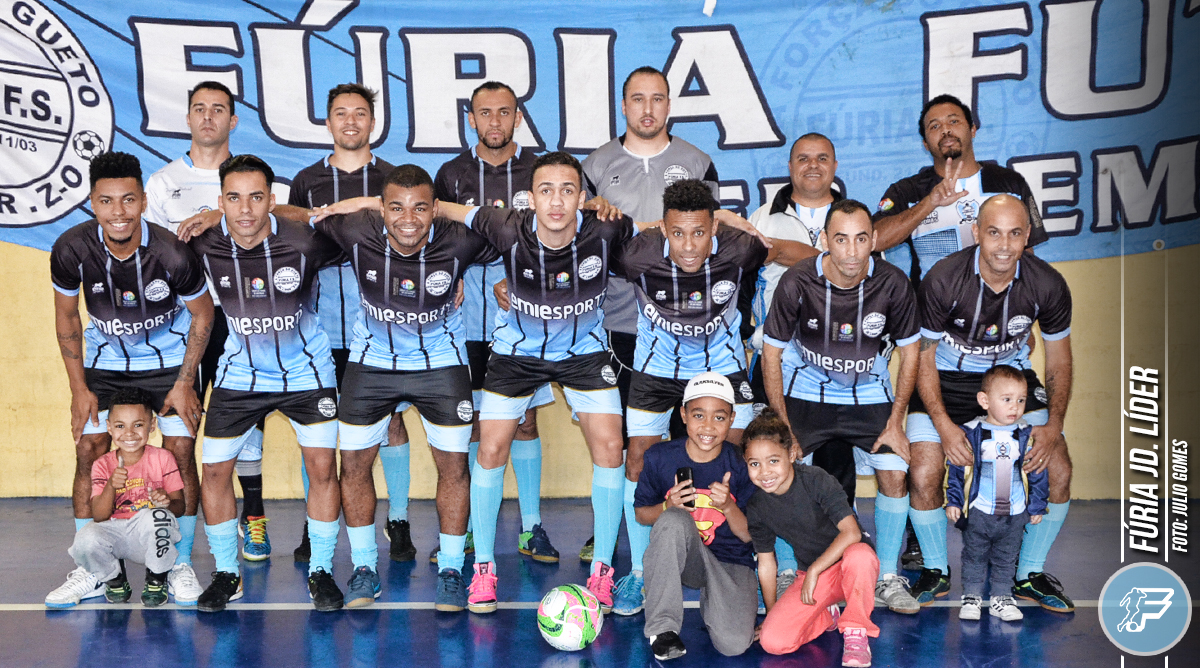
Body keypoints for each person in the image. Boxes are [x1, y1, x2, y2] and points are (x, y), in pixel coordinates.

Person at [312, 164, 500, 611]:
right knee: (353, 466)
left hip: (441, 363)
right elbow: (297, 217)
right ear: (380, 209)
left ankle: (451, 569)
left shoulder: (460, 239)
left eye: (420, 208)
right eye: (396, 208)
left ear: (436, 209)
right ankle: (364, 567)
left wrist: (508, 277)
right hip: (371, 363)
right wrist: (216, 218)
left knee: (454, 468)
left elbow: (523, 235)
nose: (409, 219)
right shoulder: (357, 230)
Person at [50, 151, 213, 606]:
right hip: (106, 359)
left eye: (128, 199)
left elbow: (203, 315)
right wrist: (78, 388)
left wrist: (185, 382)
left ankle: (177, 561)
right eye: (106, 201)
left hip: (169, 361)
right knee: (89, 449)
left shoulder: (172, 252)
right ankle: (92, 567)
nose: (118, 211)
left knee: (180, 450)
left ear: (142, 200)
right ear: (92, 203)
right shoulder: (71, 249)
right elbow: (67, 317)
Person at [187, 155, 346, 612]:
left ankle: (320, 571)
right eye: (233, 198)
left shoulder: (305, 241)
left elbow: (354, 225)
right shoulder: (203, 243)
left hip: (307, 372)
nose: (245, 209)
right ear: (220, 201)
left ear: (271, 201)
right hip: (240, 373)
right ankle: (226, 573)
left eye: (256, 197)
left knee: (322, 469)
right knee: (214, 471)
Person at [609, 178, 770, 615]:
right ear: (662, 228)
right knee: (638, 459)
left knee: (738, 460)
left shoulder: (739, 247)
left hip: (721, 366)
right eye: (677, 232)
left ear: (714, 227)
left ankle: (742, 563)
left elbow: (782, 252)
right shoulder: (637, 253)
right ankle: (641, 572)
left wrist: (734, 220)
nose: (688, 245)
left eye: (699, 232)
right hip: (656, 369)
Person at [145, 81, 287, 562]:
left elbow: (293, 216)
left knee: (246, 421)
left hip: (244, 317)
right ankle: (177, 540)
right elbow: (151, 256)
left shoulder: (249, 177)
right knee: (182, 428)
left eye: (219, 109)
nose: (208, 117)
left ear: (233, 120)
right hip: (182, 323)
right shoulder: (163, 183)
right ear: (187, 118)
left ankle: (254, 517)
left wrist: (217, 214)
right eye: (199, 109)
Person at [912, 194, 1074, 611]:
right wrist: (945, 426)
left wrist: (1054, 424)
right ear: (976, 233)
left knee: (1057, 466)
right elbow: (922, 359)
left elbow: (1059, 359)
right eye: (994, 233)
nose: (1004, 245)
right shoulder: (942, 279)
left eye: (1015, 234)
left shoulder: (1048, 284)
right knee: (926, 469)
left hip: (1011, 381)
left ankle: (1028, 574)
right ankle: (935, 570)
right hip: (945, 381)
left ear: (1027, 236)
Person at [761, 199, 922, 614]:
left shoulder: (893, 283)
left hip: (867, 394)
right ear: (824, 240)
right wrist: (783, 425)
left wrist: (896, 422)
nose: (852, 252)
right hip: (806, 391)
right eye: (842, 239)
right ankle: (788, 570)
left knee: (894, 470)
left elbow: (911, 353)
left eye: (861, 239)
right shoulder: (797, 281)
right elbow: (771, 354)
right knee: (781, 466)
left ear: (874, 240)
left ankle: (887, 576)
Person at [432, 80, 558, 564]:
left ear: (518, 117)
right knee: (466, 422)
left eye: (504, 112)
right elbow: (434, 237)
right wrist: (453, 273)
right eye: (485, 112)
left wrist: (521, 277)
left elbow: (560, 237)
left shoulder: (538, 170)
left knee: (524, 420)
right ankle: (464, 527)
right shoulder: (451, 173)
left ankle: (531, 527)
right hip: (462, 314)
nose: (495, 121)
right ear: (471, 118)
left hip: (522, 313)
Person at [288, 83, 414, 563]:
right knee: (317, 425)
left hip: (382, 323)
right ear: (328, 122)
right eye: (341, 113)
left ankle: (398, 519)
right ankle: (314, 521)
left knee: (393, 419)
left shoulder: (393, 178)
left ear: (372, 123)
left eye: (360, 113)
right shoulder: (306, 180)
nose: (350, 121)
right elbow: (295, 239)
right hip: (319, 323)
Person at [747, 131, 841, 589]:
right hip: (778, 359)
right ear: (789, 166)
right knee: (777, 459)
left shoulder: (852, 217)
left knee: (832, 468)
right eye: (803, 158)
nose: (812, 166)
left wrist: (791, 252)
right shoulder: (763, 217)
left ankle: (830, 559)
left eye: (822, 158)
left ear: (835, 166)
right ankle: (785, 565)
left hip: (839, 365)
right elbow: (747, 278)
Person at [633, 373, 757, 660]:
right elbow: (641, 514)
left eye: (719, 417)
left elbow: (750, 535)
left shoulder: (742, 463)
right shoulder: (659, 457)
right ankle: (662, 629)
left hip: (731, 560)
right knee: (672, 519)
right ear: (684, 415)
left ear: (732, 419)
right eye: (699, 415)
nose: (708, 426)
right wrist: (667, 505)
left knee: (734, 645)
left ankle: (717, 602)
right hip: (688, 558)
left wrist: (729, 507)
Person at [744, 409, 878, 666]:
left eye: (773, 461)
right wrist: (772, 613)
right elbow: (767, 563)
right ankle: (826, 614)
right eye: (754, 464)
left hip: (849, 565)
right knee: (773, 642)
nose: (765, 472)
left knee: (861, 555)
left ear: (791, 454)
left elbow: (852, 533)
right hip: (815, 579)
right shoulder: (757, 506)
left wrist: (815, 569)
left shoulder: (816, 480)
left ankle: (856, 632)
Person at [45, 387, 186, 609]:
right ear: (109, 428)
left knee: (158, 517)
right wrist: (111, 485)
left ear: (152, 426)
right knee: (85, 538)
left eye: (138, 425)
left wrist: (166, 503)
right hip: (116, 537)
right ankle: (114, 580)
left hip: (148, 536)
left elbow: (180, 506)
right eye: (120, 426)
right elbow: (99, 516)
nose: (129, 434)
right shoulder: (103, 464)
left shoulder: (163, 458)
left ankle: (157, 580)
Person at [946, 365, 1048, 622]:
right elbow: (957, 469)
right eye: (1007, 400)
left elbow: (1037, 472)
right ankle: (971, 597)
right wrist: (955, 501)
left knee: (1006, 559)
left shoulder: (1027, 436)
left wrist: (1037, 505)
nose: (1015, 407)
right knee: (974, 557)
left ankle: (1001, 598)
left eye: (1021, 400)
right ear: (984, 401)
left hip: (1014, 514)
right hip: (980, 511)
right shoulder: (970, 433)